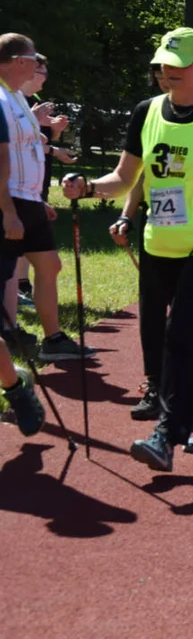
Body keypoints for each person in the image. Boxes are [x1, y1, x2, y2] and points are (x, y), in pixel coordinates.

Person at [62, 27, 193, 471]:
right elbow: (124, 178)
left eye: (180, 64)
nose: (169, 72)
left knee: (180, 333)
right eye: (165, 63)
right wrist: (89, 187)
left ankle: (168, 434)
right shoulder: (145, 113)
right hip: (158, 244)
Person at [109, 65, 193, 421]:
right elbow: (143, 175)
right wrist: (127, 214)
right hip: (160, 235)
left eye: (174, 68)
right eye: (158, 68)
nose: (164, 74)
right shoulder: (148, 112)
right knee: (154, 310)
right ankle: (156, 385)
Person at [0, 35, 93, 363]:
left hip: (26, 199)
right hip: (10, 199)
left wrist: (37, 200)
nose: (38, 67)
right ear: (17, 61)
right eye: (32, 59)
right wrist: (9, 209)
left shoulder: (18, 98)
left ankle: (53, 340)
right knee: (6, 272)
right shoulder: (1, 98)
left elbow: (26, 149)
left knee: (49, 265)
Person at [0, 32, 48, 436]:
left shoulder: (6, 100)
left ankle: (15, 390)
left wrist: (12, 209)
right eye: (33, 59)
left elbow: (3, 163)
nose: (38, 66)